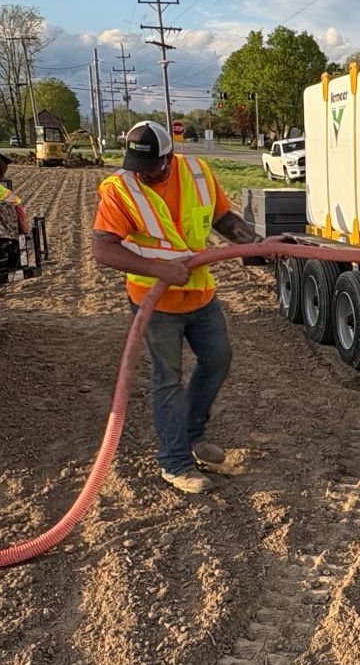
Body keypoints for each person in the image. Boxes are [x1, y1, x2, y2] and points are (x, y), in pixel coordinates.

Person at [90, 120, 258, 494]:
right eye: (137, 166)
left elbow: (223, 219)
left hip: (199, 293)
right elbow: (103, 247)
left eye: (151, 167)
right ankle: (175, 462)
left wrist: (258, 244)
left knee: (218, 358)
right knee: (167, 379)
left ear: (169, 157)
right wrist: (158, 269)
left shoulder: (197, 173)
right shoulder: (121, 189)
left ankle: (193, 435)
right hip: (154, 302)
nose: (143, 174)